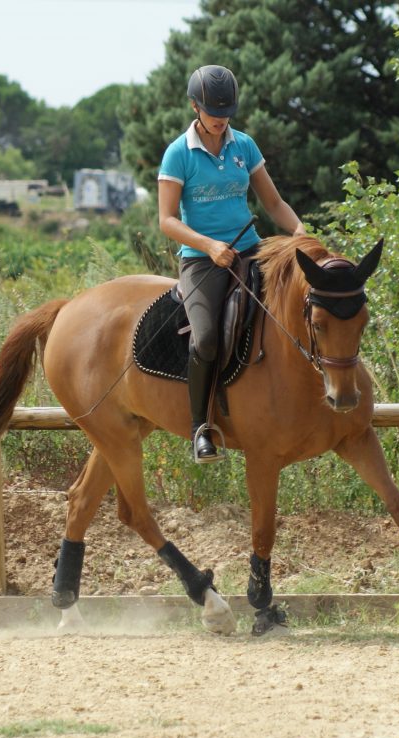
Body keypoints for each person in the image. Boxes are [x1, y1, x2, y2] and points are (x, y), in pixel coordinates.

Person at [158, 64, 306, 463]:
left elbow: (273, 203)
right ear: (195, 106)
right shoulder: (178, 153)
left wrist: (300, 231)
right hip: (202, 261)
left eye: (227, 113)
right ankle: (199, 428)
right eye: (213, 112)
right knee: (205, 339)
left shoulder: (244, 146)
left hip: (252, 250)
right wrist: (209, 246)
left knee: (300, 309)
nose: (222, 120)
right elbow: (167, 220)